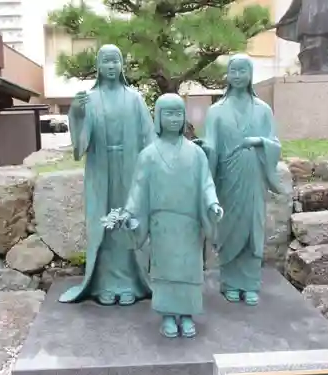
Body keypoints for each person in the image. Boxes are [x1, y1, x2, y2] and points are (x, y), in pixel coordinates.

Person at [111, 93, 223, 338]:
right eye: (168, 113)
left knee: (189, 269)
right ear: (158, 118)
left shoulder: (196, 153)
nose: (174, 118)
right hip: (161, 223)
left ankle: (187, 313)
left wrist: (212, 204)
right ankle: (169, 315)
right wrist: (130, 214)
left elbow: (206, 184)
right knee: (164, 270)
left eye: (178, 113)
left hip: (189, 223)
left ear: (185, 117)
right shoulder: (148, 155)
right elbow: (138, 189)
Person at [58, 44, 154, 306]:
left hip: (130, 169)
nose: (111, 66)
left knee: (127, 222)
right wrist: (76, 112)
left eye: (116, 61)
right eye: (106, 61)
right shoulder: (90, 99)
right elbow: (80, 145)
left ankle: (131, 284)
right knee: (103, 224)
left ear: (122, 65)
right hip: (100, 169)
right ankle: (104, 283)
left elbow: (149, 137)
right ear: (98, 67)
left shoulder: (134, 99)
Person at [199, 54, 282, 306]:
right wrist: (204, 151)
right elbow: (211, 143)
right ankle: (231, 283)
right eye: (233, 71)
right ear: (227, 75)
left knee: (252, 230)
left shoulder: (263, 110)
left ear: (250, 75)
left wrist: (259, 142)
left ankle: (250, 283)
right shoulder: (216, 111)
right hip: (228, 177)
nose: (236, 76)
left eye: (242, 71)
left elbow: (274, 144)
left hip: (254, 175)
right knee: (230, 229)